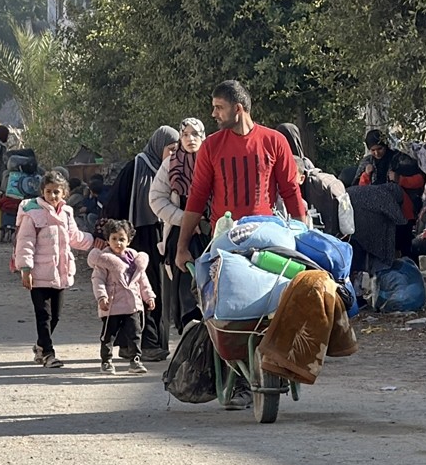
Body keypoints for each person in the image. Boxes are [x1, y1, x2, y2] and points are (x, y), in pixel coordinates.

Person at [173, 80, 306, 411]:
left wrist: (304, 237)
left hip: (268, 236)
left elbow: (291, 194)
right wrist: (182, 245)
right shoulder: (212, 147)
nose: (214, 114)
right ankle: (238, 375)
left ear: (238, 108)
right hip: (226, 238)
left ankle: (273, 362)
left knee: (280, 299)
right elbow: (197, 197)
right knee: (224, 310)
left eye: (218, 107)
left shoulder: (274, 142)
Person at [101, 125, 179, 362]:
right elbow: (115, 204)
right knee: (141, 287)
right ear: (158, 147)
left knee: (157, 291)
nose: (174, 155)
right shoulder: (135, 168)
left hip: (162, 234)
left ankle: (137, 344)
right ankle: (145, 344)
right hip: (137, 237)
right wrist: (117, 239)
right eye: (171, 149)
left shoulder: (174, 170)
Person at [13, 171, 97, 368]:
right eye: (49, 192)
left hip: (60, 273)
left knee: (56, 316)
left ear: (64, 193)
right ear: (42, 192)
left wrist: (95, 241)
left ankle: (41, 346)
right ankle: (49, 354)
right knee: (43, 315)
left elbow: (74, 237)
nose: (52, 196)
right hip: (37, 275)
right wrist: (25, 269)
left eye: (56, 192)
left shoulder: (67, 212)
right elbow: (25, 242)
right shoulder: (32, 212)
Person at [150, 117, 208, 333]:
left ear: (203, 136)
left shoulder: (212, 160)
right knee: (187, 289)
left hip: (212, 231)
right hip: (181, 234)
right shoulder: (170, 165)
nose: (190, 139)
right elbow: (156, 199)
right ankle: (190, 332)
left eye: (195, 134)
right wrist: (185, 220)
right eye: (185, 134)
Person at [88, 219, 157, 375]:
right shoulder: (104, 260)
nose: (118, 243)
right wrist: (101, 297)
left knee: (135, 334)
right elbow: (97, 280)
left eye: (122, 239)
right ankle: (106, 361)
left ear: (129, 240)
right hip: (111, 305)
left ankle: (135, 361)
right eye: (114, 239)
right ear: (107, 240)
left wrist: (149, 297)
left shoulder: (135, 259)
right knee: (108, 336)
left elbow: (142, 280)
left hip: (132, 304)